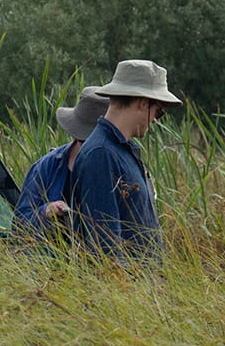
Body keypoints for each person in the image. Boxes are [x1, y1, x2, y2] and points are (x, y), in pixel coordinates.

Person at [66, 60, 180, 258]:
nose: (154, 120)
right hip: (128, 286)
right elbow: (105, 248)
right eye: (158, 112)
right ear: (142, 102)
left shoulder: (120, 151)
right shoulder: (101, 154)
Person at [15, 85, 108, 228]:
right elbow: (19, 224)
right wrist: (46, 211)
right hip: (50, 250)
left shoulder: (120, 168)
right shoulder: (46, 166)